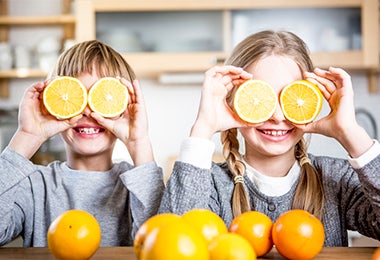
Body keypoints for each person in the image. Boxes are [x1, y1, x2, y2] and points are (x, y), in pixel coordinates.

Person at [159, 30, 380, 246]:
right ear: (233, 101)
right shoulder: (212, 184)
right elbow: (173, 242)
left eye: (289, 97)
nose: (277, 116)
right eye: (260, 99)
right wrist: (203, 128)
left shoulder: (335, 179)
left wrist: (351, 132)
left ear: (308, 102)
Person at [0, 40, 164, 247]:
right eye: (77, 99)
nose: (87, 111)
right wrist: (27, 136)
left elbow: (162, 243)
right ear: (55, 105)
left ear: (124, 107)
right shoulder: (34, 186)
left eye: (100, 97)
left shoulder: (139, 184)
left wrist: (138, 141)